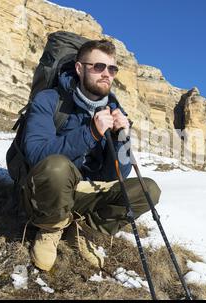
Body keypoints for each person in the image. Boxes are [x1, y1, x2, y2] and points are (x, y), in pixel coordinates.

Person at [21, 39, 161, 272]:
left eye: (112, 69)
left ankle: (82, 230)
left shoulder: (114, 109)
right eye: (98, 67)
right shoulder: (49, 100)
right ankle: (51, 228)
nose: (106, 73)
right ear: (79, 68)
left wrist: (121, 138)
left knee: (147, 191)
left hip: (85, 191)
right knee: (57, 167)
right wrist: (91, 132)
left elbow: (118, 174)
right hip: (46, 189)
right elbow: (36, 155)